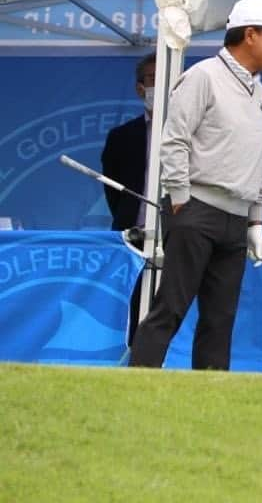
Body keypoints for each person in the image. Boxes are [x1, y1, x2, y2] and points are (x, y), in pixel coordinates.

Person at [129, 0, 262, 370]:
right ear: (250, 34)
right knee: (171, 308)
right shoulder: (203, 76)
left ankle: (208, 403)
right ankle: (134, 387)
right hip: (196, 210)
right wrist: (179, 198)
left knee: (220, 321)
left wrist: (256, 221)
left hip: (236, 221)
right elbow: (174, 140)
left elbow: (259, 163)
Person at [101, 53, 154, 348]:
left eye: (166, 79)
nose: (159, 86)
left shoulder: (195, 134)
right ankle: (133, 356)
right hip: (132, 238)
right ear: (139, 88)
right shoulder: (122, 137)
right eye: (151, 80)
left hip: (180, 235)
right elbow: (114, 191)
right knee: (131, 305)